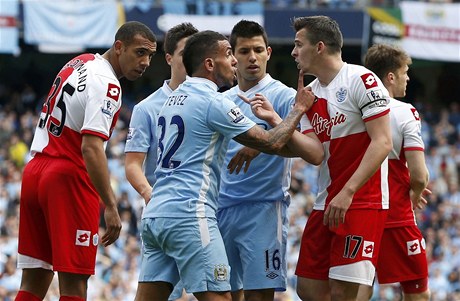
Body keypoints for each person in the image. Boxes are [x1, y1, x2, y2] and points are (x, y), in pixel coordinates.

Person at [134, 30, 316, 301]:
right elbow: (272, 142)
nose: (234, 61)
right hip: (191, 215)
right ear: (209, 64)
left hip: (156, 216)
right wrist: (299, 109)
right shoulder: (214, 101)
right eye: (229, 54)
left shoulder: (169, 101)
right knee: (221, 297)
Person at [15, 21, 157, 301]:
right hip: (68, 176)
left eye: (150, 55)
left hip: (35, 171)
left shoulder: (80, 62)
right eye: (140, 52)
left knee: (33, 281)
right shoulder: (109, 85)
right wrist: (111, 205)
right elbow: (91, 148)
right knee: (74, 285)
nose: (145, 62)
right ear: (119, 47)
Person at [217, 20, 323, 301]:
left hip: (263, 208)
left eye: (257, 49)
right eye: (243, 51)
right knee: (220, 294)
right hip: (220, 208)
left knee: (259, 295)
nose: (252, 57)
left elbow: (306, 149)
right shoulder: (221, 101)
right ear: (232, 56)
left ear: (268, 52)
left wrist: (261, 145)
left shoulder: (285, 96)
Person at [291, 16, 393, 300]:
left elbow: (382, 141)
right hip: (326, 201)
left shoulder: (362, 79)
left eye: (299, 45)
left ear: (320, 47)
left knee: (342, 292)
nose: (294, 52)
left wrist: (348, 191)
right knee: (307, 287)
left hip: (361, 200)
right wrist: (282, 119)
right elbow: (314, 153)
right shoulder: (308, 95)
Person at [124, 22, 198, 301]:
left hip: (206, 213)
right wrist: (148, 193)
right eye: (184, 54)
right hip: (165, 212)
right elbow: (133, 164)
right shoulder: (146, 108)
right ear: (168, 58)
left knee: (223, 290)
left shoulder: (214, 102)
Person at [356, 44, 430, 301]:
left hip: (358, 212)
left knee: (357, 287)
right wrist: (415, 192)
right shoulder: (404, 112)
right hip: (395, 214)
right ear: (390, 76)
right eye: (405, 72)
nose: (407, 78)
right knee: (417, 291)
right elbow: (419, 175)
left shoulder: (353, 109)